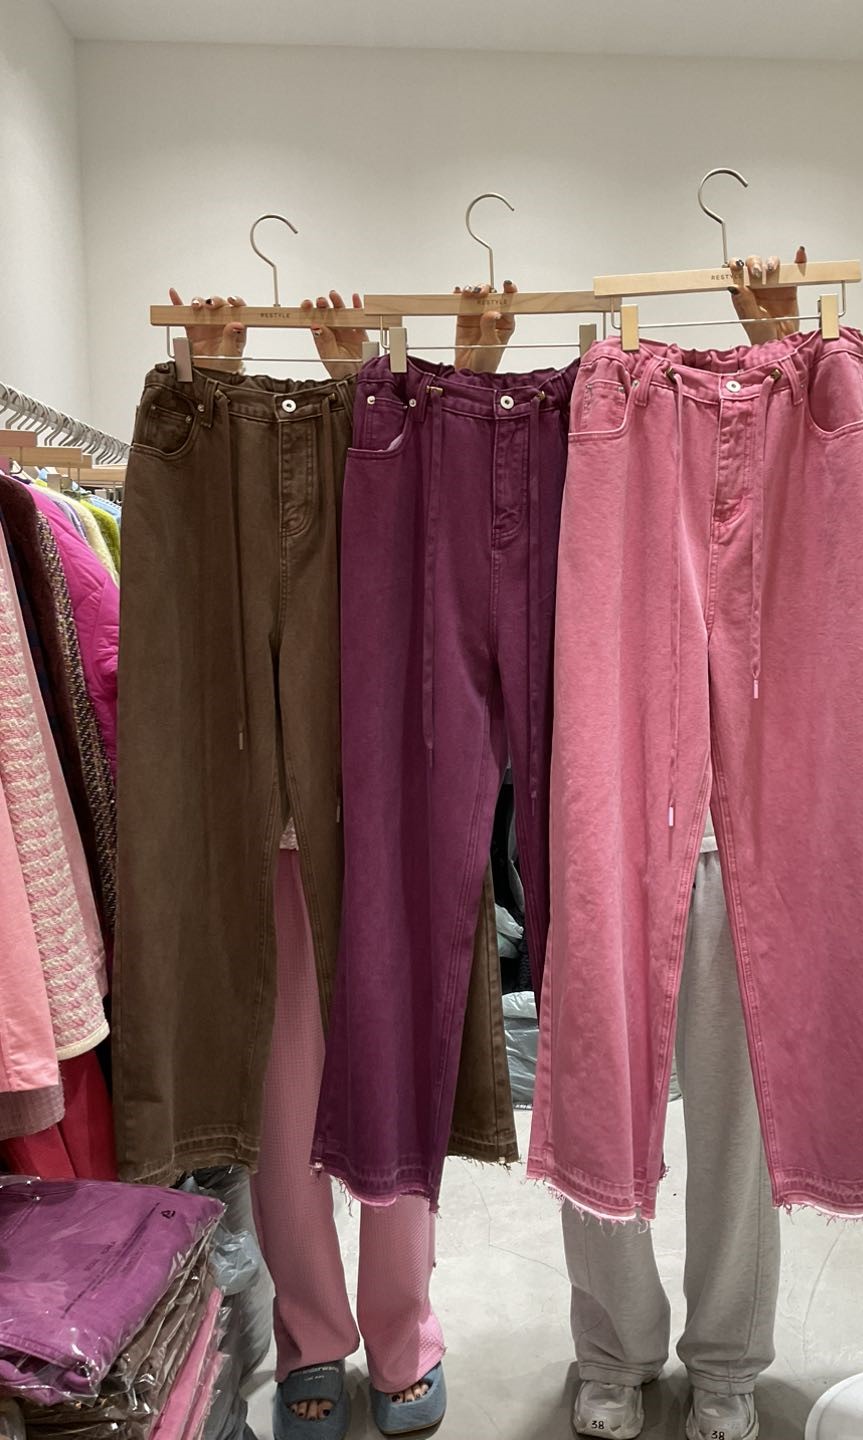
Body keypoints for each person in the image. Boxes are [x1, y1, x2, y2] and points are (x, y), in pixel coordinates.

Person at [166, 281, 516, 1440]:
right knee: (284, 1101)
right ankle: (315, 1334)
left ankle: (404, 1330)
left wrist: (370, 380)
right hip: (267, 831)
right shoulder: (217, 465)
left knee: (397, 1071)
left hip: (386, 816)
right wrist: (212, 377)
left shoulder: (387, 450)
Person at [565, 250, 806, 1440]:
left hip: (747, 853)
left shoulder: (800, 439)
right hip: (616, 830)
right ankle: (611, 1350)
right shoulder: (614, 422)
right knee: (596, 1089)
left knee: (739, 1120)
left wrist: (782, 338)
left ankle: (726, 1362)